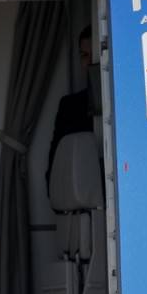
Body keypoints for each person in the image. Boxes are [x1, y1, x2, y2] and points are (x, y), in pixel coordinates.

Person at [45, 25, 98, 185]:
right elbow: (55, 169)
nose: (89, 62)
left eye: (93, 55)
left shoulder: (128, 104)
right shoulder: (70, 106)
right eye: (84, 55)